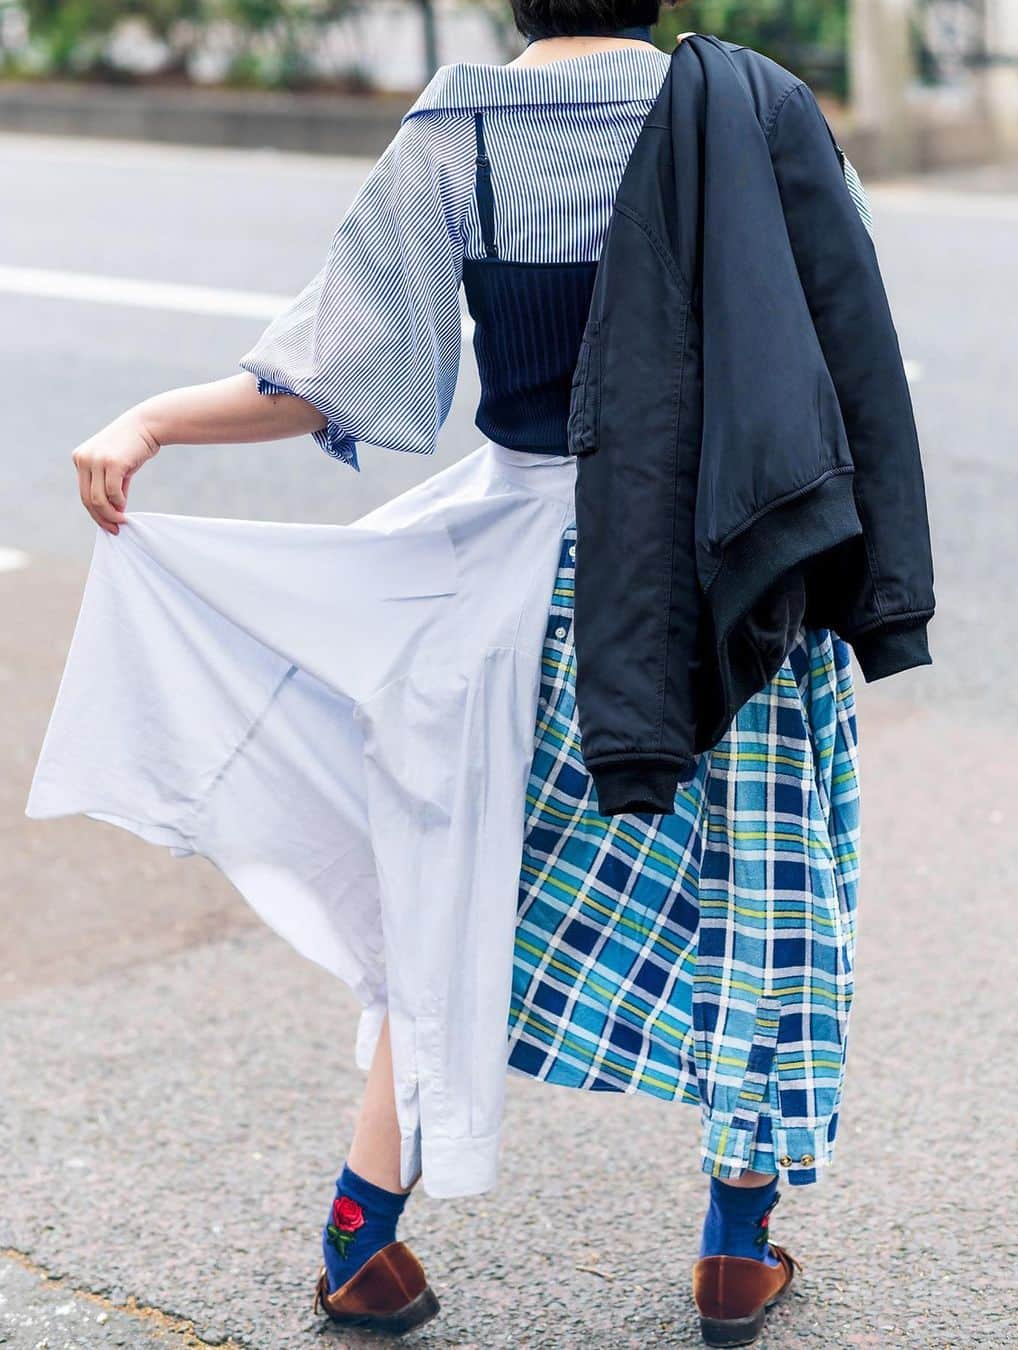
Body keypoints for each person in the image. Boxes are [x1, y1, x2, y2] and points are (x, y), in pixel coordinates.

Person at [28, 6, 884, 1345]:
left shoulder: (460, 134)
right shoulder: (753, 115)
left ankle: (362, 1238)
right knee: (760, 885)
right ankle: (734, 1240)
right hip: (734, 560)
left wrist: (151, 420)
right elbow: (833, 350)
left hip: (527, 582)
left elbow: (335, 376)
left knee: (456, 886)